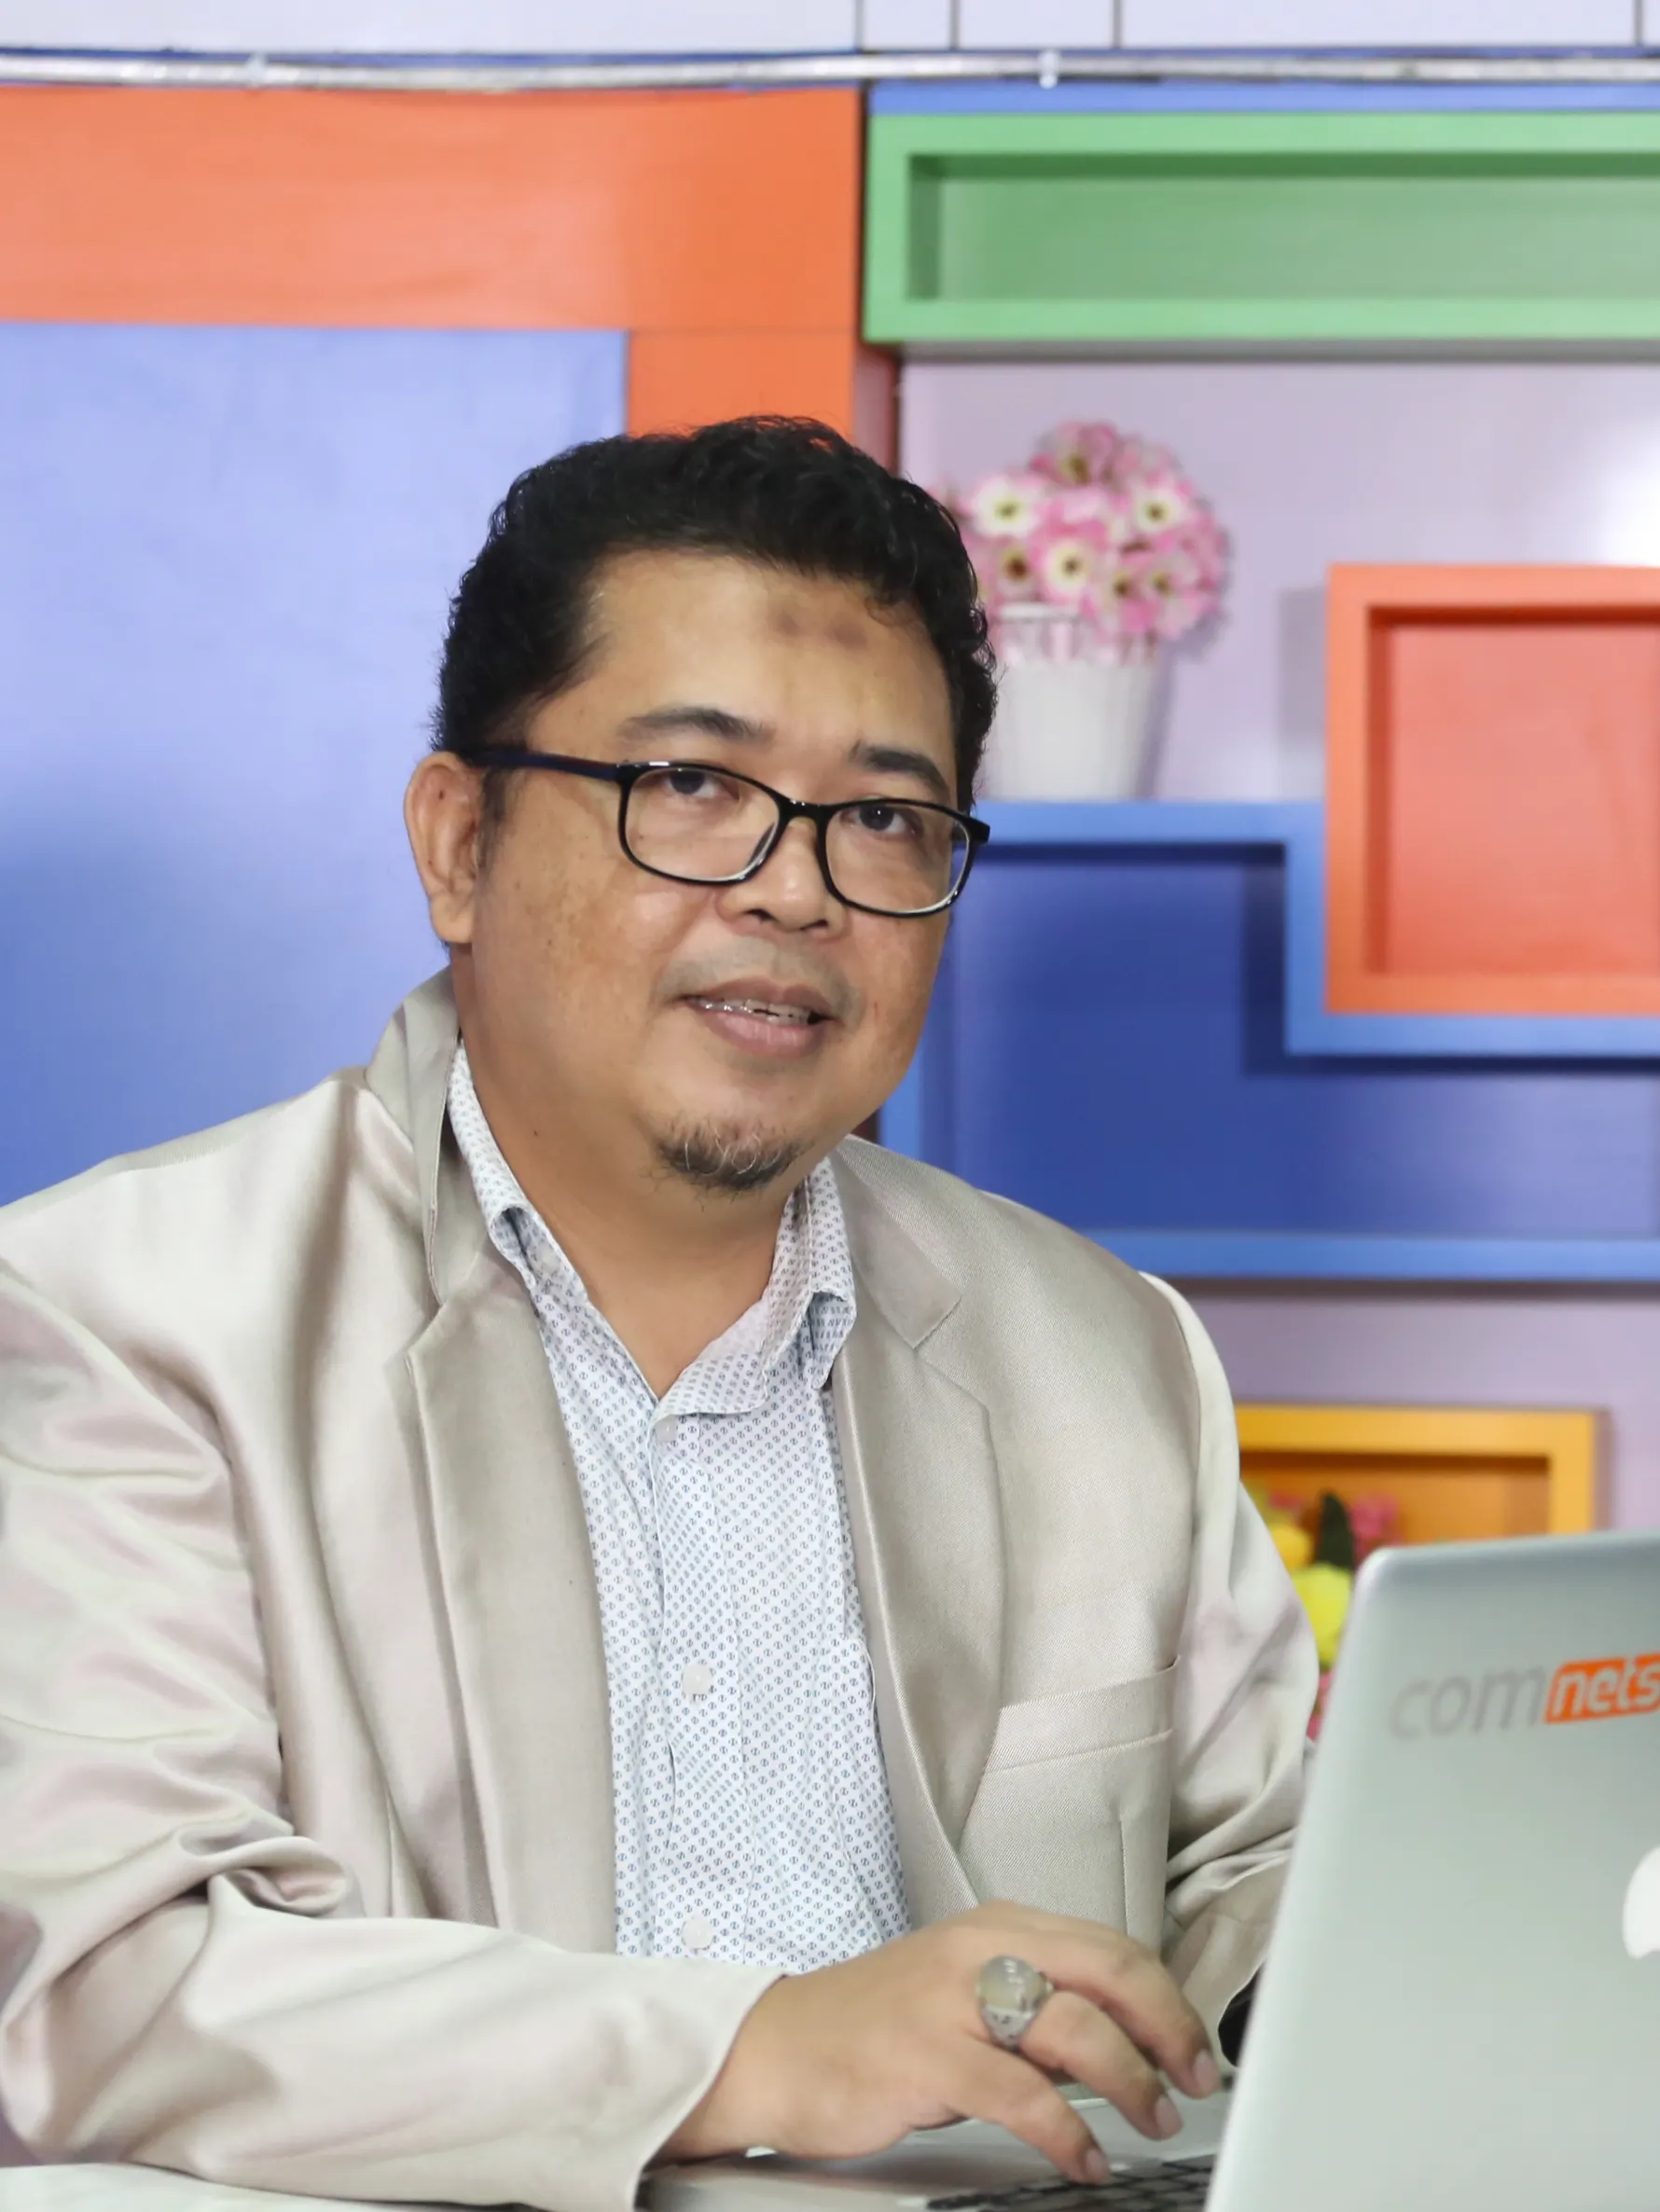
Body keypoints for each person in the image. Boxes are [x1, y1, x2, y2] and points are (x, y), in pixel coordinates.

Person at [0, 419, 1315, 2210]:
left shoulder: (1100, 1347)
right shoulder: (122, 1316)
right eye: (691, 785)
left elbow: (1247, 1886)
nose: (796, 889)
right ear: (458, 842)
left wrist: (1393, 1956)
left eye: (885, 818)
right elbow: (108, 1987)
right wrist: (753, 2044)